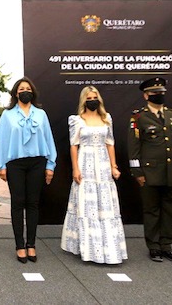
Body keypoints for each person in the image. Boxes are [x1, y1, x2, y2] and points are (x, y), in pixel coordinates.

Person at [0, 77, 57, 263]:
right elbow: (1, 141)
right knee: (18, 202)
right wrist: (2, 165)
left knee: (33, 203)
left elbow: (48, 139)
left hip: (37, 162)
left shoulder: (41, 115)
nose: (25, 91)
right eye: (21, 89)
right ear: (16, 93)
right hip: (15, 164)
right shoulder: (7, 115)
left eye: (28, 88)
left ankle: (31, 244)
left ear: (33, 92)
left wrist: (50, 165)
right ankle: (19, 245)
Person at [61, 86, 127, 264]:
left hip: (103, 165)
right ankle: (87, 249)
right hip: (85, 163)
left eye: (95, 97)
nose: (92, 100)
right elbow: (73, 145)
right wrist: (75, 168)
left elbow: (110, 143)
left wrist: (114, 166)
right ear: (84, 100)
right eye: (89, 97)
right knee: (85, 205)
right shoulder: (77, 120)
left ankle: (109, 249)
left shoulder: (107, 118)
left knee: (105, 205)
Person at [127, 77, 172, 263]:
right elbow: (133, 147)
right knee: (152, 210)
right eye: (154, 93)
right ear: (146, 95)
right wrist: (137, 172)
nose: (159, 95)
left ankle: (167, 245)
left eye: (161, 92)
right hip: (150, 172)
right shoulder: (138, 117)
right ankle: (153, 246)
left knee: (170, 210)